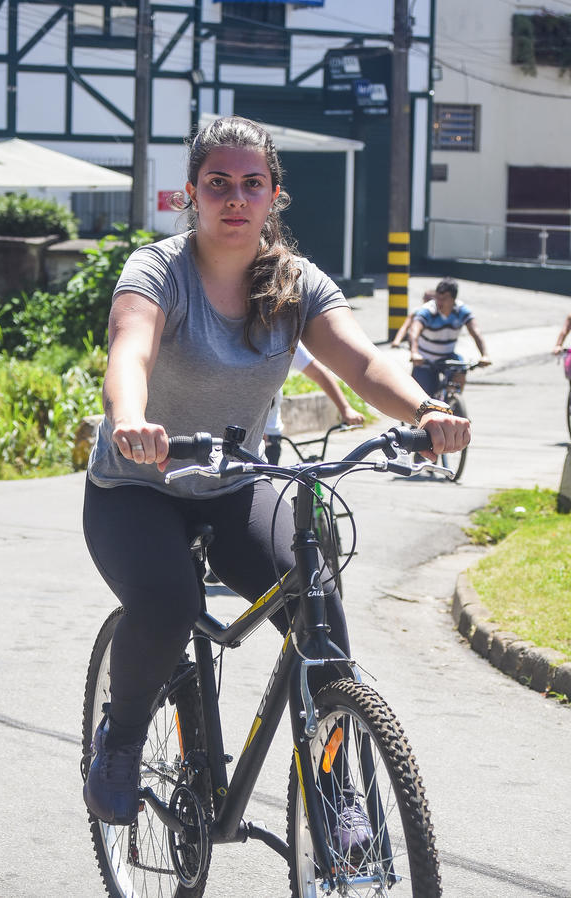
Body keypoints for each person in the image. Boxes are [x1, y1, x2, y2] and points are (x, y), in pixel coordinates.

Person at [82, 115, 470, 829]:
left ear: (273, 196)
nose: (236, 197)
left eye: (251, 184)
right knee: (167, 604)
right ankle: (123, 737)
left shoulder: (295, 285)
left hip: (236, 482)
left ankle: (334, 788)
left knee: (315, 600)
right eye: (219, 183)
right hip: (137, 487)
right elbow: (128, 350)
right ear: (190, 194)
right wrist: (132, 420)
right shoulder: (158, 270)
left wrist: (424, 409)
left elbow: (362, 362)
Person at [264, 341, 364, 465]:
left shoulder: (284, 338)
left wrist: (345, 409)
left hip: (271, 436)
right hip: (242, 438)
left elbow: (319, 373)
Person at [407, 278, 491, 397]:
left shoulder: (461, 311)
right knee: (421, 398)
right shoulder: (428, 310)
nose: (439, 302)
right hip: (425, 359)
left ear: (453, 299)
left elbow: (475, 332)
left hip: (447, 356)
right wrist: (414, 353)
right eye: (437, 298)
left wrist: (484, 355)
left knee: (461, 369)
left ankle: (453, 399)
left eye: (444, 298)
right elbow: (414, 331)